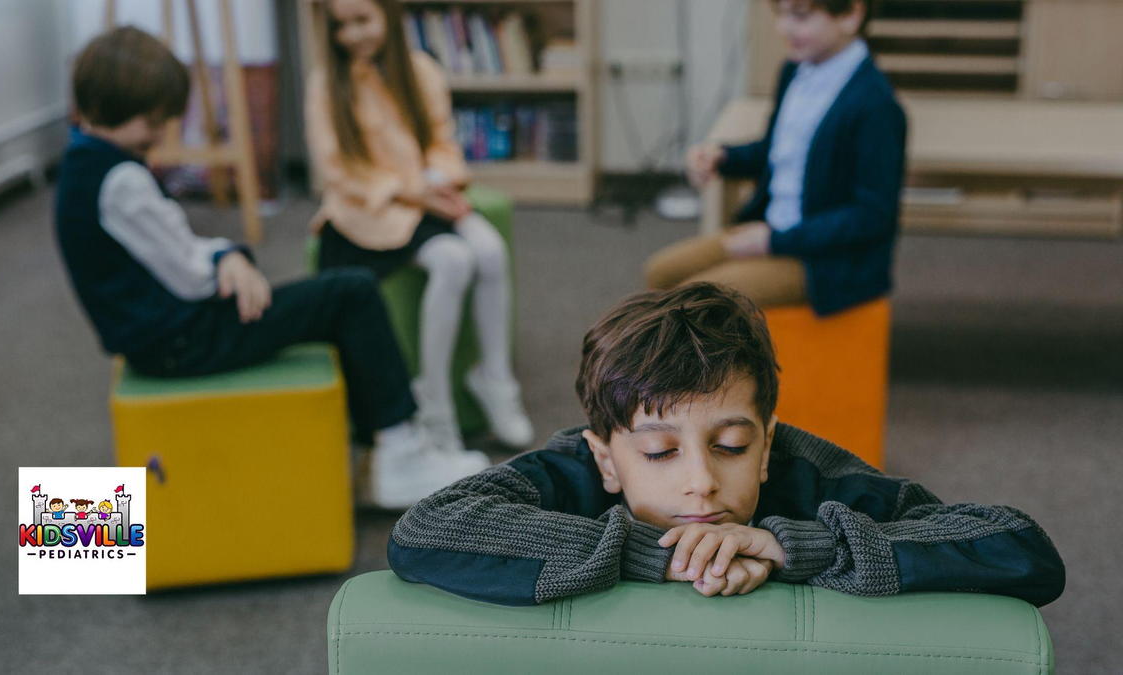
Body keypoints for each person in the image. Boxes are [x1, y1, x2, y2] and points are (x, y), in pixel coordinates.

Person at [387, 283, 1065, 606]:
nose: (701, 482)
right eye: (659, 453)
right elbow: (422, 529)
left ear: (767, 445)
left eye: (732, 445)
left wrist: (790, 544)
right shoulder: (576, 468)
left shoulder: (812, 473)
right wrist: (651, 552)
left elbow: (1023, 552)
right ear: (606, 457)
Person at [53, 26, 486, 509]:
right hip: (183, 339)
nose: (159, 135)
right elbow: (192, 277)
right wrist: (227, 257)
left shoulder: (79, 163)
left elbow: (168, 248)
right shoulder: (122, 180)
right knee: (352, 293)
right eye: (154, 122)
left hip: (156, 336)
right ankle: (399, 451)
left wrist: (225, 255)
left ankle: (379, 451)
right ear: (125, 110)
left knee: (337, 297)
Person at [304, 0, 533, 454]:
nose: (353, 35)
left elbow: (441, 143)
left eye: (362, 20)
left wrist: (439, 183)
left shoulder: (420, 70)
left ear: (387, 14)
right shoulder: (326, 84)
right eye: (340, 27)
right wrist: (415, 191)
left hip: (425, 198)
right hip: (368, 207)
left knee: (489, 249)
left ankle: (494, 378)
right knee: (453, 259)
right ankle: (436, 402)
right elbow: (341, 171)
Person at [646, 0, 906, 317]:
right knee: (660, 273)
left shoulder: (875, 105)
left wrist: (774, 241)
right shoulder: (794, 71)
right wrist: (722, 156)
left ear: (851, 15)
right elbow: (776, 151)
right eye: (780, 15)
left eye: (800, 16)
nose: (783, 28)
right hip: (773, 231)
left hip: (825, 260)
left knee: (701, 302)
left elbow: (871, 216)